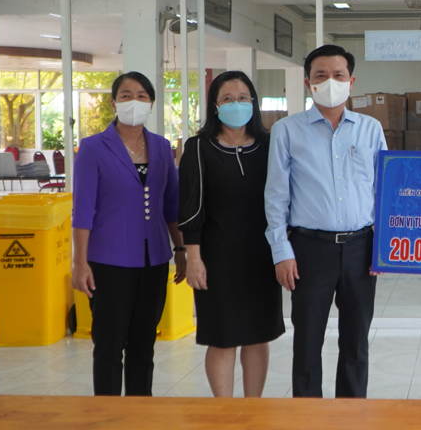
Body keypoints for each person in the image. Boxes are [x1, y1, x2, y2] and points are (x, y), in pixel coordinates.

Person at [265, 44, 386, 398]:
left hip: (362, 248)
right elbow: (276, 196)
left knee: (356, 344)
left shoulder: (370, 129)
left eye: (338, 75)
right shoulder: (287, 131)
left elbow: (385, 190)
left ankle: (351, 415)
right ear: (308, 83)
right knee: (307, 344)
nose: (330, 82)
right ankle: (308, 417)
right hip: (308, 250)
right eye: (321, 76)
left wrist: (385, 245)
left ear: (351, 81)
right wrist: (281, 252)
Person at [71, 71, 186, 396]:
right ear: (113, 103)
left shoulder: (162, 148)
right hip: (108, 262)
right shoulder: (93, 148)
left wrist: (180, 251)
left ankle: (140, 413)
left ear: (151, 103)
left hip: (153, 262)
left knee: (143, 344)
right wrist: (81, 262)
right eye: (125, 95)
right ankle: (108, 416)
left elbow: (171, 206)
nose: (133, 102)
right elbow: (82, 210)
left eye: (141, 96)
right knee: (108, 346)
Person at [178, 71, 285, 397]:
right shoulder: (198, 148)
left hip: (261, 257)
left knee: (257, 336)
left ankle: (253, 409)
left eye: (242, 98)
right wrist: (192, 257)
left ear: (253, 102)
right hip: (216, 257)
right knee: (222, 338)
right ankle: (224, 411)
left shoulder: (270, 145)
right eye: (227, 99)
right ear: (214, 106)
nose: (236, 104)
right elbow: (190, 208)